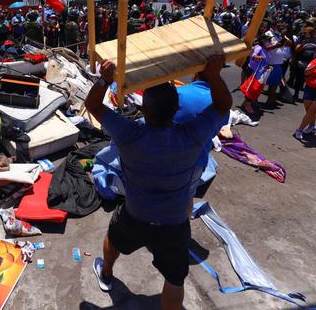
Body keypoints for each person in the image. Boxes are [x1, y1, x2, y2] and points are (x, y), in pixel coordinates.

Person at [85, 55, 231, 310]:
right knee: (175, 280)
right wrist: (215, 75)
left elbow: (94, 106)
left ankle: (106, 274)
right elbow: (222, 106)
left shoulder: (129, 133)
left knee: (114, 238)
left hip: (135, 214)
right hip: (173, 222)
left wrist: (104, 80)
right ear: (176, 110)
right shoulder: (192, 137)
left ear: (143, 110)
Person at [263, 21, 292, 108]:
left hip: (278, 63)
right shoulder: (267, 34)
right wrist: (277, 46)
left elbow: (289, 44)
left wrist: (283, 36)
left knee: (275, 83)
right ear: (273, 25)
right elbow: (265, 48)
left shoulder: (280, 35)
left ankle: (271, 100)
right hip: (269, 63)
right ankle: (252, 101)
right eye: (279, 26)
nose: (281, 28)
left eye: (282, 26)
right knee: (261, 83)